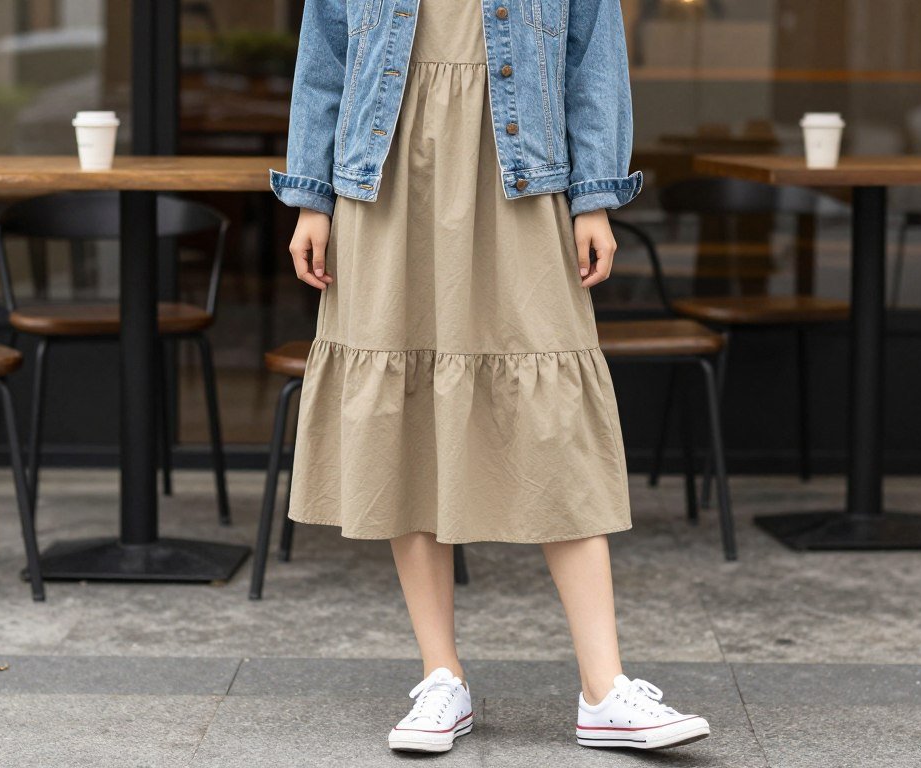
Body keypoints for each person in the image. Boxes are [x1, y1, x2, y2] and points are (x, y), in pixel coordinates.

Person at [270, 0, 710, 753]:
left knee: (556, 420)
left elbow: (593, 62)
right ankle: (442, 678)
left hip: (522, 180)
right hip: (384, 182)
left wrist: (595, 196)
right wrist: (310, 195)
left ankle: (605, 689)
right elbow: (326, 61)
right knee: (402, 415)